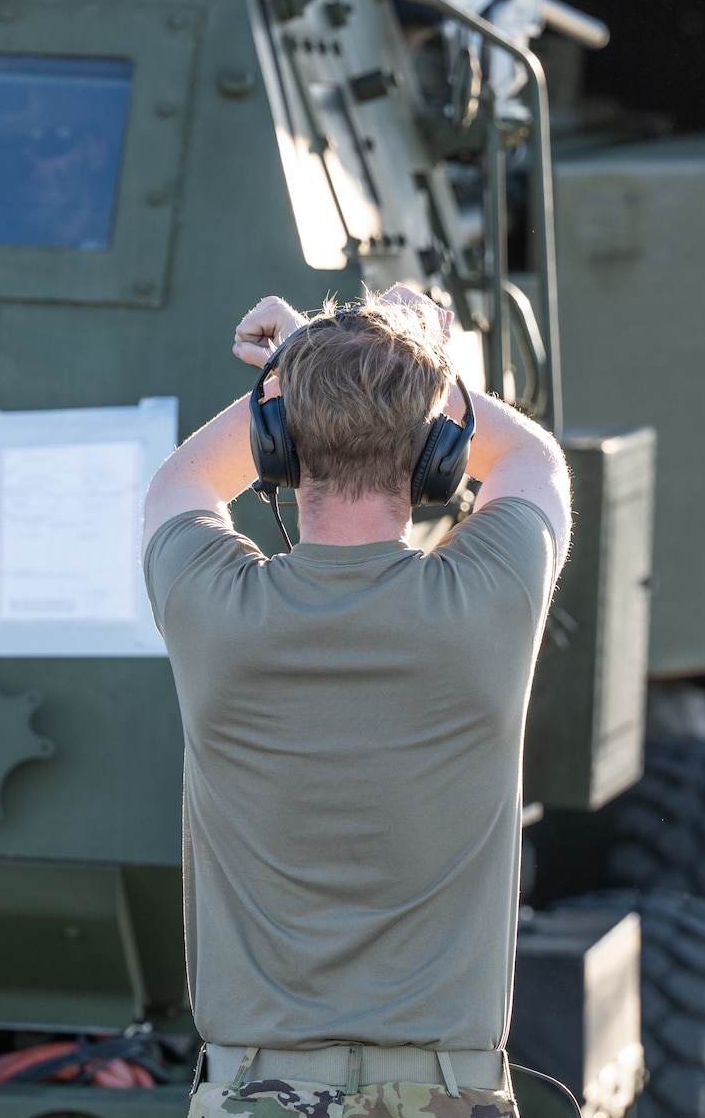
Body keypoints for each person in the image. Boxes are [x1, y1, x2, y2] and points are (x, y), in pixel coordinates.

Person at [141, 284, 571, 1118]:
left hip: (255, 1094)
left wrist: (296, 376)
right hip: (449, 1094)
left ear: (276, 447)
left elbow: (184, 478)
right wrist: (419, 364)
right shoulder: (488, 602)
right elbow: (532, 462)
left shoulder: (214, 611)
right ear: (436, 453)